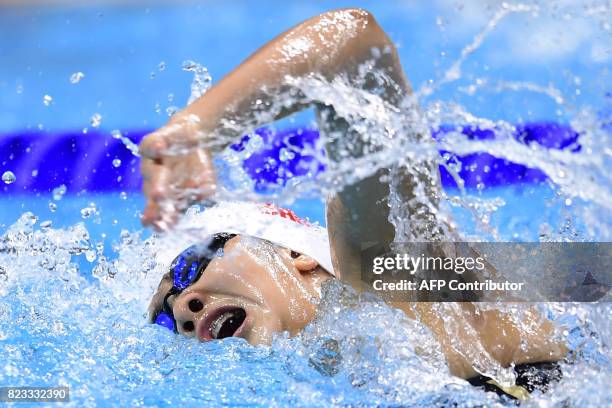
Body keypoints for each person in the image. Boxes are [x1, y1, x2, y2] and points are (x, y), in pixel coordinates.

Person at [141, 8, 566, 399]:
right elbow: (579, 275)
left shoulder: (389, 274)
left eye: (191, 263)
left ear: (296, 255)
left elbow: (350, 47)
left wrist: (195, 128)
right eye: (165, 314)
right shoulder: (345, 369)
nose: (183, 307)